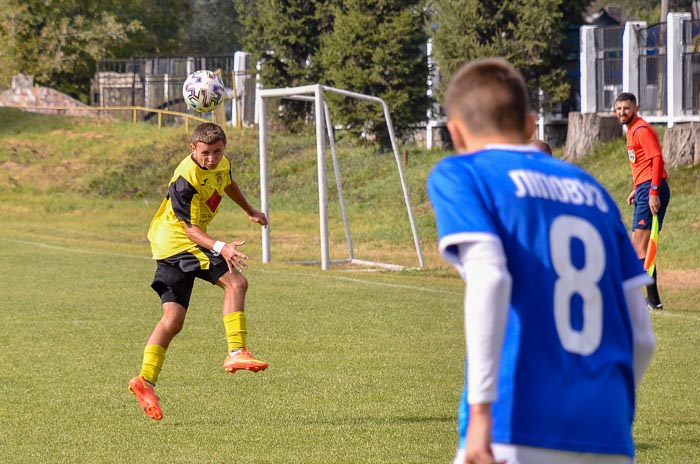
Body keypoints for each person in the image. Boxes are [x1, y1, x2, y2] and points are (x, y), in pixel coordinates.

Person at [427, 58, 656, 464]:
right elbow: (641, 332)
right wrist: (612, 412)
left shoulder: (465, 173)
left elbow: (491, 279)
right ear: (532, 126)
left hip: (515, 424)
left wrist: (481, 413)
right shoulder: (593, 191)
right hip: (607, 433)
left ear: (455, 132)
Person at [128, 122, 269, 421]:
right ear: (193, 148)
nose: (211, 159)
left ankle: (145, 380)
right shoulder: (184, 179)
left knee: (173, 319)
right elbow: (190, 230)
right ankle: (235, 351)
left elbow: (226, 181)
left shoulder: (221, 164)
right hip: (180, 242)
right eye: (205, 153)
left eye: (217, 152)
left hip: (166, 247)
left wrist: (249, 210)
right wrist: (222, 247)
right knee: (236, 283)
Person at [614, 92, 671, 311]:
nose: (622, 112)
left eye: (626, 108)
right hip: (644, 188)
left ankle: (641, 299)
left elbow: (656, 159)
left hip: (652, 188)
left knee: (639, 246)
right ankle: (652, 299)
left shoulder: (641, 129)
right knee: (640, 245)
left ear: (636, 109)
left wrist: (653, 191)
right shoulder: (631, 131)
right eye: (619, 109)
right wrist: (637, 189)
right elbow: (643, 165)